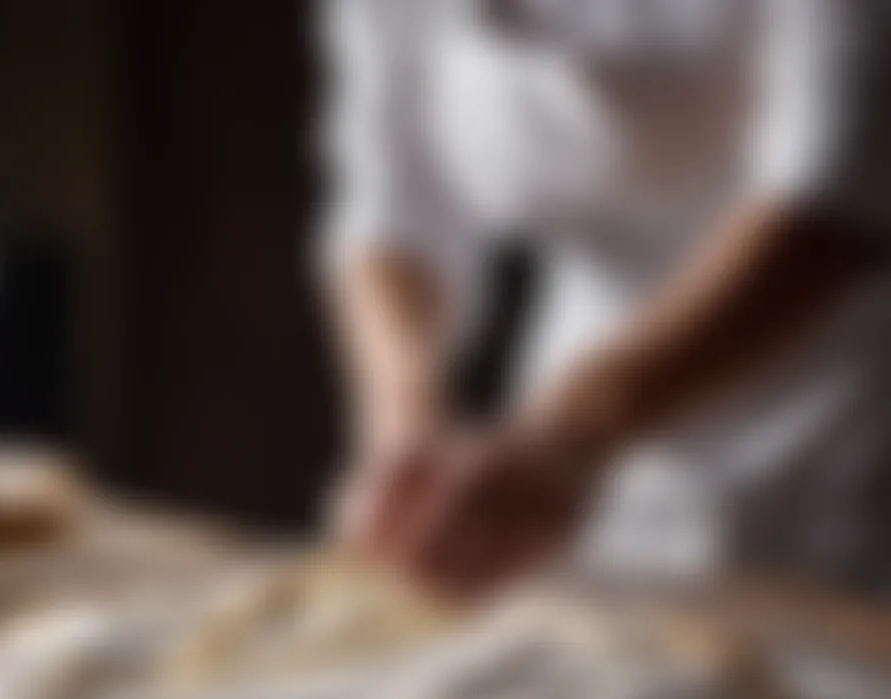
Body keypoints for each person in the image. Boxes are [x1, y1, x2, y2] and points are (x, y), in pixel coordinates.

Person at [319, 0, 891, 599]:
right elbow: (395, 203)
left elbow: (835, 197)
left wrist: (573, 427)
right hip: (564, 431)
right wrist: (402, 426)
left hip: (833, 419)